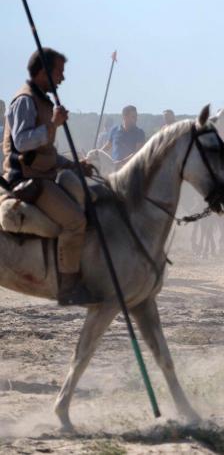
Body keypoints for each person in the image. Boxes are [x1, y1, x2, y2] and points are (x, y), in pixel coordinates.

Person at [2, 48, 97, 305]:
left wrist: (76, 166)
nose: (62, 79)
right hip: (26, 179)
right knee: (76, 222)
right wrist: (53, 124)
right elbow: (22, 142)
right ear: (44, 72)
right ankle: (69, 287)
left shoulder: (41, 101)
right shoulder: (24, 100)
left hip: (43, 174)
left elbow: (47, 154)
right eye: (59, 72)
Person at [102, 105, 145, 169]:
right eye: (133, 117)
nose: (136, 119)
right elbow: (107, 146)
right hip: (114, 168)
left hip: (132, 170)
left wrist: (121, 162)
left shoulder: (139, 133)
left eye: (136, 116)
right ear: (125, 117)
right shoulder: (115, 130)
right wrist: (96, 153)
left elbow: (137, 152)